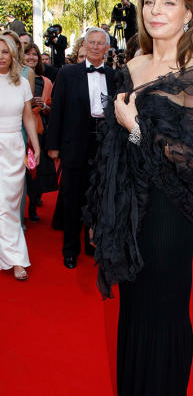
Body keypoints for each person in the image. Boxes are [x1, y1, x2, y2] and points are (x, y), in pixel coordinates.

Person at [84, 0, 193, 396]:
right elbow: (112, 143)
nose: (156, 10)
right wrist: (103, 209)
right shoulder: (132, 63)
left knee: (164, 311)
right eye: (149, 1)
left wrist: (137, 127)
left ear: (189, 13)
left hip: (169, 210)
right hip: (129, 204)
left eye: (169, 2)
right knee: (133, 309)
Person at [46, 28, 115, 269]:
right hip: (75, 142)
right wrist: (53, 146)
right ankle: (70, 249)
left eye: (100, 44)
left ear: (107, 48)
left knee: (98, 196)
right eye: (91, 43)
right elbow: (57, 111)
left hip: (103, 143)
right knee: (72, 197)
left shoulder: (115, 76)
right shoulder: (68, 73)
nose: (96, 47)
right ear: (84, 46)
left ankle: (91, 244)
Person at [0, 33, 41, 281]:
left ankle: (11, 255)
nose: (1, 56)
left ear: (13, 54)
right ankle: (16, 259)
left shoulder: (22, 81)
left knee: (11, 205)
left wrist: (34, 146)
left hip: (14, 146)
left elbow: (28, 117)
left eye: (5, 51)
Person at [22, 43, 56, 223]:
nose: (31, 58)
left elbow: (52, 108)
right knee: (25, 171)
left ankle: (33, 205)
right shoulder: (16, 79)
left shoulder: (46, 81)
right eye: (27, 54)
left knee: (37, 169)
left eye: (34, 54)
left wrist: (44, 106)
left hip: (39, 130)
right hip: (21, 131)